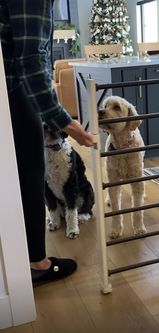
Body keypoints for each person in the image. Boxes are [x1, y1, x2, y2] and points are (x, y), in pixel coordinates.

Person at [0, 0, 94, 286]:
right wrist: (67, 122)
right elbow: (30, 63)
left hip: (11, 88)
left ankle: (20, 259)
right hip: (14, 89)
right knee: (29, 176)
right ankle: (37, 263)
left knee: (21, 178)